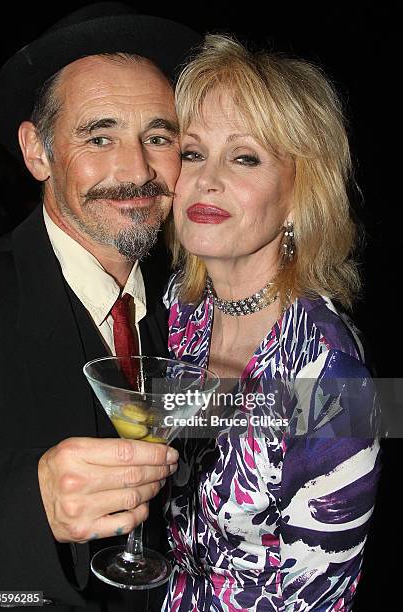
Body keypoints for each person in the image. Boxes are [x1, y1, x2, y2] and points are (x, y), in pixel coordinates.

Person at [0, 3, 200, 610]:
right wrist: (26, 504)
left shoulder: (195, 311)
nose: (137, 170)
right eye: (99, 137)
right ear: (38, 152)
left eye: (159, 137)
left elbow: (334, 415)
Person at [163, 35, 381, 610]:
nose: (207, 179)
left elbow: (323, 595)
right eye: (191, 152)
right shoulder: (175, 309)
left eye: (244, 157)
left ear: (298, 196)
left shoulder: (337, 379)